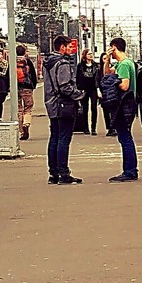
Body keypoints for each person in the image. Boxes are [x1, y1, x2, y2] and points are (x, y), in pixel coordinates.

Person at [42, 35, 85, 185]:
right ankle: (64, 173)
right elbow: (65, 86)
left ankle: (53, 174)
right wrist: (80, 94)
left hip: (51, 104)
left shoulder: (47, 62)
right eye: (69, 46)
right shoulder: (63, 63)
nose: (72, 49)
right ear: (62, 47)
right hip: (64, 105)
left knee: (54, 138)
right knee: (63, 139)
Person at [107, 37, 139, 182]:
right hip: (127, 104)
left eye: (111, 49)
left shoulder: (124, 65)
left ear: (114, 47)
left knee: (125, 138)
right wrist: (107, 60)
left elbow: (124, 85)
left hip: (124, 104)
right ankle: (130, 170)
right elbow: (107, 73)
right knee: (125, 137)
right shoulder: (125, 63)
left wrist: (115, 82)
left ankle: (129, 171)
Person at [74, 49, 101, 135]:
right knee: (84, 109)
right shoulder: (80, 66)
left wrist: (98, 89)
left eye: (91, 54)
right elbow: (77, 77)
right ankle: (85, 128)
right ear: (85, 55)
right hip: (84, 89)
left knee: (94, 108)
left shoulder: (96, 66)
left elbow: (98, 78)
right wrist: (78, 89)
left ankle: (93, 128)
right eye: (89, 54)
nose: (90, 55)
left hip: (93, 89)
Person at [15, 44, 38, 140]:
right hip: (27, 88)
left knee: (19, 110)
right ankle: (26, 124)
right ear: (24, 52)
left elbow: (7, 76)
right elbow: (33, 74)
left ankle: (21, 131)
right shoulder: (27, 62)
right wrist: (33, 86)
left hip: (16, 89)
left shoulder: (12, 61)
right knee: (28, 108)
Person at [98, 54, 120, 136]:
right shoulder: (99, 70)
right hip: (104, 92)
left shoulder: (113, 67)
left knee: (114, 111)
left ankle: (113, 127)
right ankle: (109, 128)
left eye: (106, 58)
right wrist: (98, 90)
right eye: (104, 58)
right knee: (106, 111)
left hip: (112, 92)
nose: (105, 60)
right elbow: (97, 80)